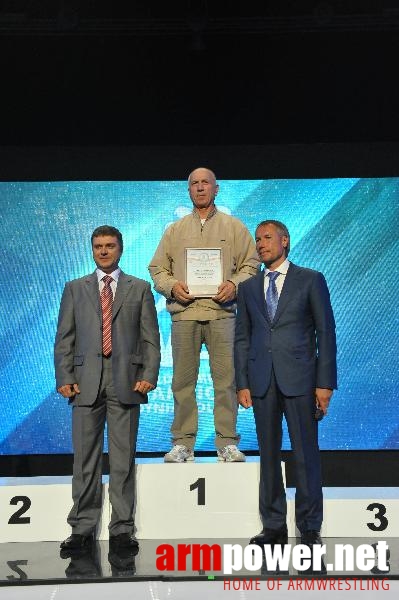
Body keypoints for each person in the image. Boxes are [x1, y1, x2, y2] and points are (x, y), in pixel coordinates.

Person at [54, 225, 161, 555]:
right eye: (98, 246)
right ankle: (82, 528)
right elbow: (64, 339)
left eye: (109, 246)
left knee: (122, 460)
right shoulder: (75, 288)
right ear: (92, 250)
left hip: (126, 383)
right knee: (84, 461)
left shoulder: (139, 288)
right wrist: (64, 376)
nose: (103, 251)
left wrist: (149, 374)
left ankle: (122, 530)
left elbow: (151, 339)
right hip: (84, 384)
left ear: (121, 249)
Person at [234, 219, 337, 553]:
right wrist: (242, 382)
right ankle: (273, 525)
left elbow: (326, 333)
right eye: (257, 239)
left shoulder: (310, 280)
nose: (261, 244)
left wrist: (324, 382)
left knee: (306, 454)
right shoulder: (249, 287)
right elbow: (242, 338)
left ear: (285, 241)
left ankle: (309, 527)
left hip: (302, 381)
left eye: (267, 238)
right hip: (262, 380)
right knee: (268, 454)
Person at [148, 167, 259, 462]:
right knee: (182, 383)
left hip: (222, 314)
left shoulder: (234, 227)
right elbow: (157, 269)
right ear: (188, 190)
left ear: (216, 189)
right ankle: (183, 442)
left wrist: (234, 286)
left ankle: (227, 442)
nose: (199, 188)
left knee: (227, 381)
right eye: (194, 184)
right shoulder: (174, 230)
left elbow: (252, 264)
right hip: (185, 314)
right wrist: (172, 287)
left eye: (205, 183)